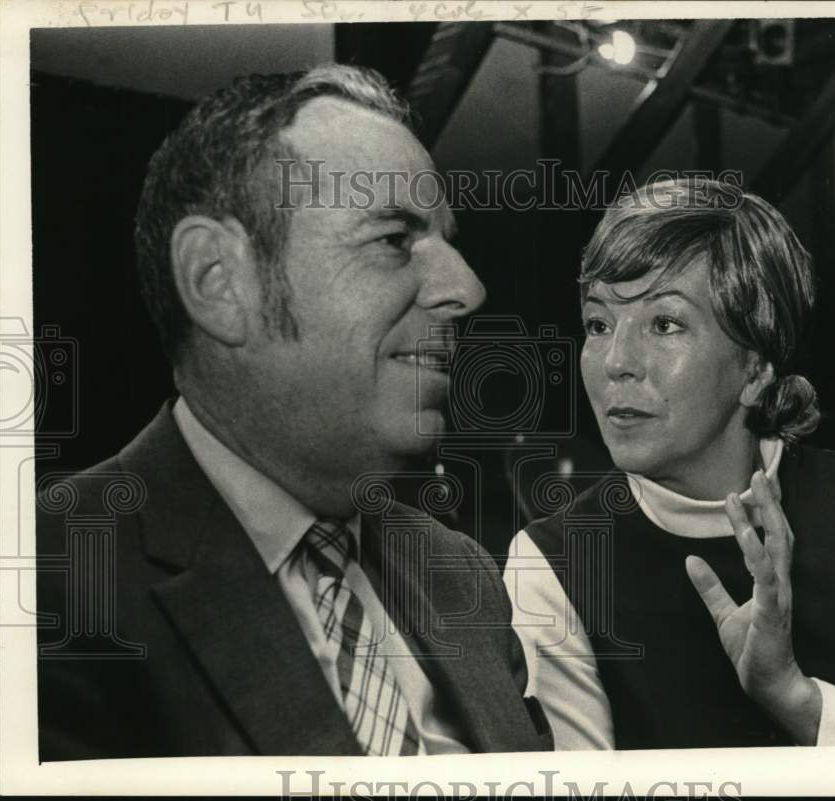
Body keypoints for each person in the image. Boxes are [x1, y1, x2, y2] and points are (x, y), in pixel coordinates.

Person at [36, 64, 552, 759]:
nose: (467, 286)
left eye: (447, 242)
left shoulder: (460, 572)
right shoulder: (48, 583)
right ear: (219, 282)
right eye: (393, 239)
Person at [504, 179, 835, 749]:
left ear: (754, 370)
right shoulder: (551, 562)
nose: (616, 362)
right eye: (599, 324)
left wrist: (797, 700)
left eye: (665, 324)